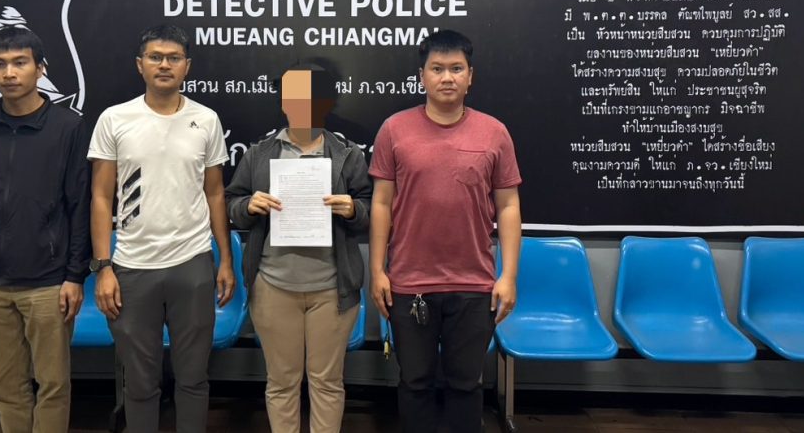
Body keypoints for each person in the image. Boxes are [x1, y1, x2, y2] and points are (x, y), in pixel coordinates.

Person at [368, 29, 523, 433]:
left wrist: (508, 276)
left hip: (473, 283)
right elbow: (381, 203)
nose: (447, 77)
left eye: (456, 68)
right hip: (409, 283)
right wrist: (377, 270)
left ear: (471, 76)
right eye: (437, 69)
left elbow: (508, 206)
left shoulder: (494, 132)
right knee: (414, 383)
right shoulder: (394, 130)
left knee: (465, 384)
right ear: (422, 76)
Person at [88, 24, 236, 433]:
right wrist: (103, 267)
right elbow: (100, 197)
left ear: (187, 66)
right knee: (139, 383)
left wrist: (225, 260)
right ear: (140, 65)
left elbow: (215, 194)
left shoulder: (205, 120)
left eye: (173, 58)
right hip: (133, 267)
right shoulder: (115, 119)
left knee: (193, 378)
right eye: (155, 57)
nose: (164, 65)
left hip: (193, 264)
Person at [0, 26, 92, 433]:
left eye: (20, 63)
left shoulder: (68, 127)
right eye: (0, 64)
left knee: (52, 385)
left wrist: (74, 275)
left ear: (40, 69)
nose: (9, 73)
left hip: (48, 283)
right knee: (2, 387)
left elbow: (79, 206)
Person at [225, 63, 372, 433]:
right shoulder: (259, 154)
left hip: (332, 289)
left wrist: (354, 209)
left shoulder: (348, 154)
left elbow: (373, 210)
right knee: (281, 383)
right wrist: (247, 206)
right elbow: (231, 204)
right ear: (283, 102)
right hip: (273, 287)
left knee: (327, 383)